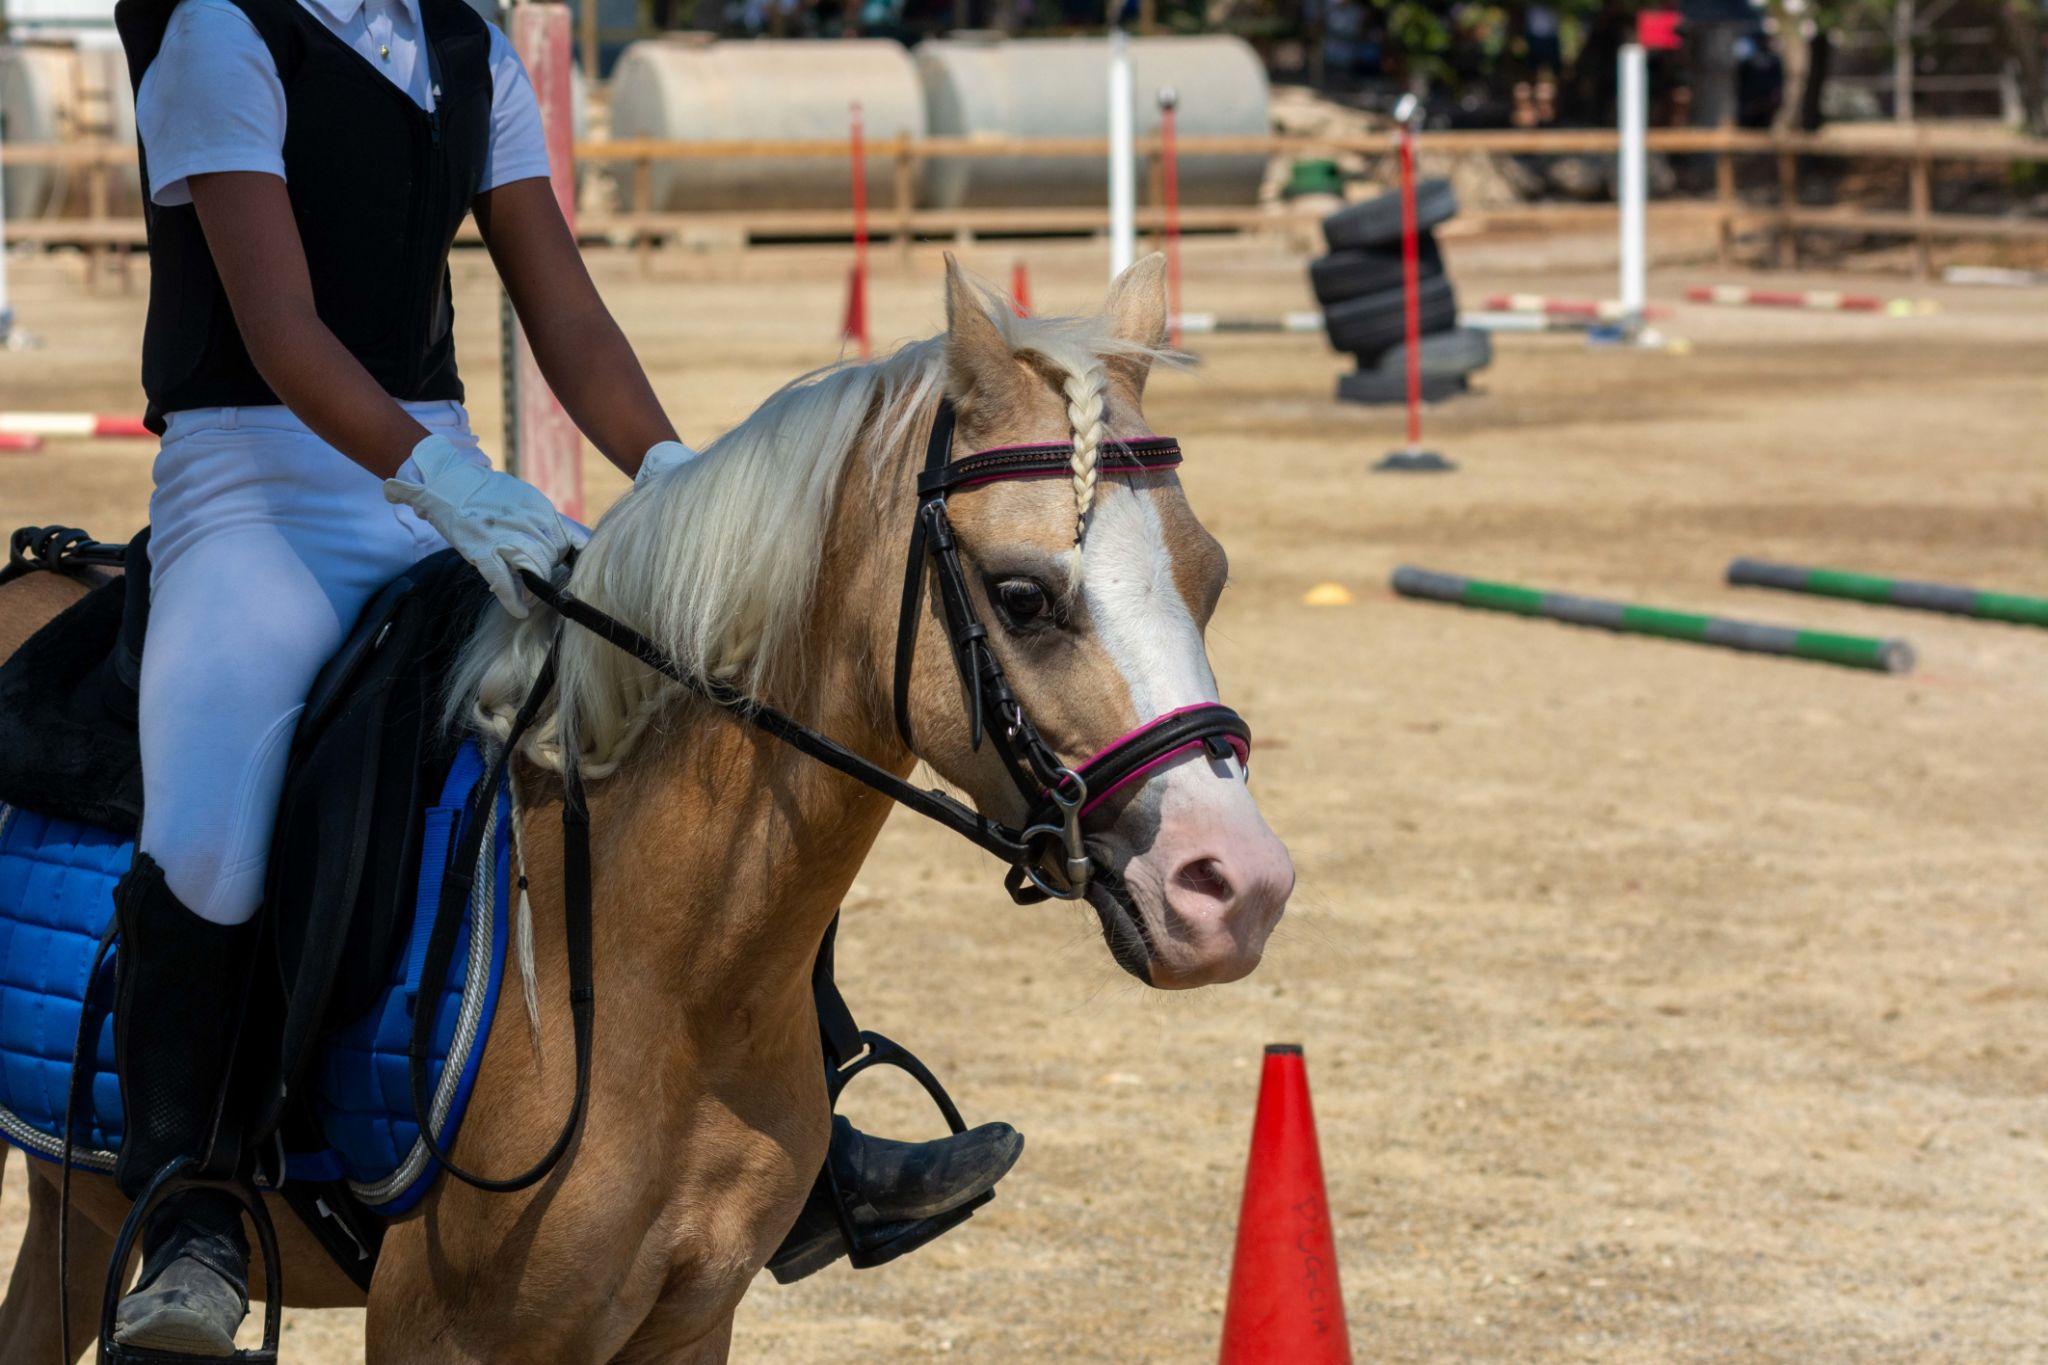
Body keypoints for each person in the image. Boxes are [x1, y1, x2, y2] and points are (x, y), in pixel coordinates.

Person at [107, 0, 1017, 1352]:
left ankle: (807, 1123)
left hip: (440, 478)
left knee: (709, 714)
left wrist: (679, 476)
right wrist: (439, 478)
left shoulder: (465, 47)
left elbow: (569, 314)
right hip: (255, 490)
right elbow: (282, 327)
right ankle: (189, 1214)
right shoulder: (221, 31)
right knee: (209, 821)